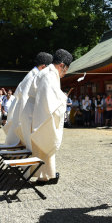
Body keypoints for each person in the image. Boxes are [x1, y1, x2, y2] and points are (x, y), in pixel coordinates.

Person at [29, 49, 73, 184]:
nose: (64, 74)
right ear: (62, 65)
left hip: (39, 113)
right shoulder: (49, 75)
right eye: (65, 71)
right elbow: (48, 99)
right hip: (44, 115)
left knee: (45, 148)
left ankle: (47, 174)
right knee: (46, 145)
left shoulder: (47, 73)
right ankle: (44, 175)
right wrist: (63, 99)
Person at [2, 52, 53, 146]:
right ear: (43, 67)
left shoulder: (33, 74)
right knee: (25, 144)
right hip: (24, 112)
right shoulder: (33, 76)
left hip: (23, 111)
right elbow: (25, 98)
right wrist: (24, 122)